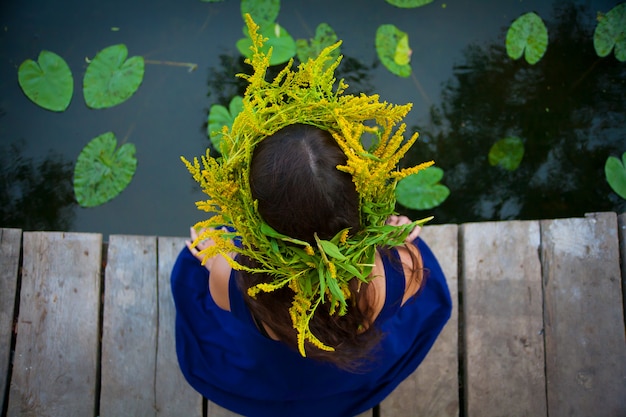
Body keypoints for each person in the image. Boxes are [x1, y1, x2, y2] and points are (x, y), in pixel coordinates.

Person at [171, 14, 452, 417]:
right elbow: (409, 263)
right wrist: (400, 233)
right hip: (352, 369)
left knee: (192, 263)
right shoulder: (400, 272)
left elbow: (211, 256)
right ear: (359, 201)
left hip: (270, 368)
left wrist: (210, 246)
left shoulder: (228, 278)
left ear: (253, 212)